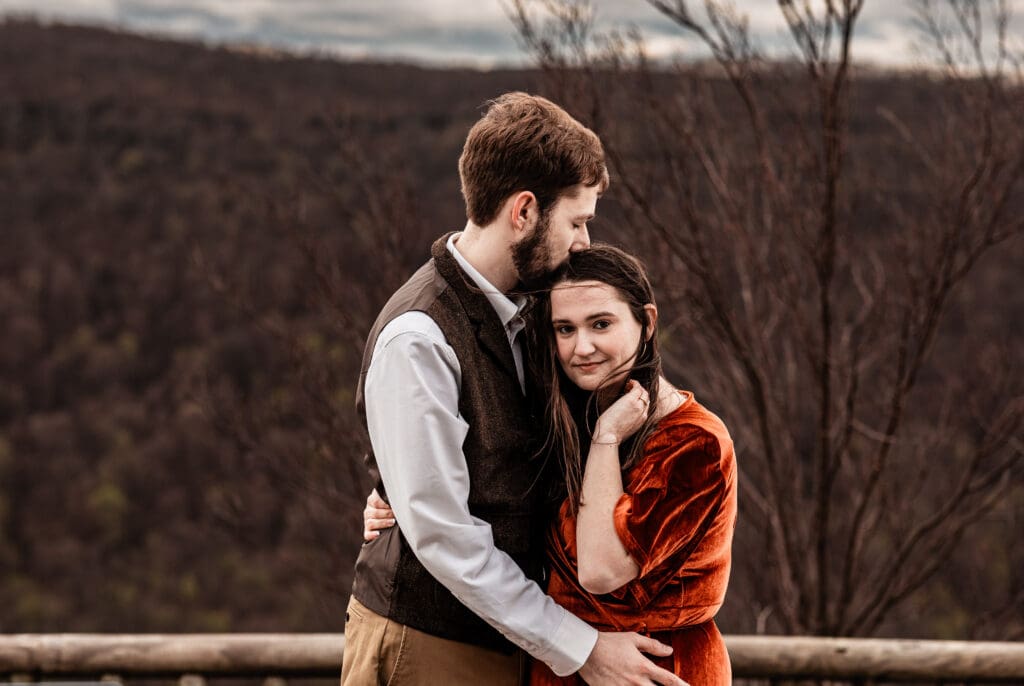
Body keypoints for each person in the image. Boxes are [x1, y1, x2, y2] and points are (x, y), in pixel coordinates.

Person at [342, 93, 687, 686]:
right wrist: (582, 648)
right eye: (576, 221)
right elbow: (444, 537)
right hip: (429, 645)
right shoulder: (419, 338)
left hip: (518, 643)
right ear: (524, 211)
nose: (584, 242)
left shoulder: (537, 312)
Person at [366, 244, 738, 685]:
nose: (582, 347)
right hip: (566, 664)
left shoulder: (693, 442)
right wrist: (399, 498)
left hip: (651, 668)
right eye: (565, 329)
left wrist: (606, 440)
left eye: (601, 324)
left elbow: (600, 571)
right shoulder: (570, 416)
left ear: (647, 322)